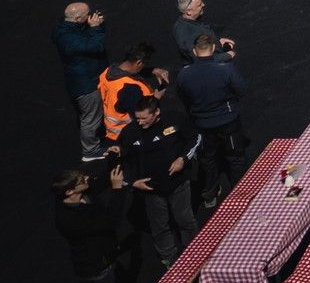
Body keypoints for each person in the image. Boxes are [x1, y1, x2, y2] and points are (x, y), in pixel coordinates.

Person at [119, 97, 200, 264]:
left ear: (156, 113)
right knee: (159, 225)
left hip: (178, 182)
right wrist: (132, 182)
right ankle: (168, 257)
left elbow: (195, 139)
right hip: (150, 188)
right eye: (137, 118)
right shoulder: (129, 133)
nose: (139, 122)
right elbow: (121, 163)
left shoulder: (175, 119)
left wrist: (183, 159)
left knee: (185, 218)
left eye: (143, 118)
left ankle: (195, 251)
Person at [175, 32, 247, 208]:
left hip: (202, 123)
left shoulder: (184, 75)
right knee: (235, 157)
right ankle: (240, 194)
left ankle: (210, 194)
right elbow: (241, 89)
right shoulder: (225, 69)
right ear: (214, 48)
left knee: (207, 159)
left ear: (194, 50)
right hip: (228, 121)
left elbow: (183, 97)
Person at [52, 1, 108, 162]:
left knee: (90, 115)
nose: (90, 16)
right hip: (86, 84)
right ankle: (90, 151)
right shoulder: (69, 40)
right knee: (90, 117)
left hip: (85, 78)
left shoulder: (65, 27)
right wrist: (96, 28)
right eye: (86, 14)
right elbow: (96, 46)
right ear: (77, 18)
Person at [97, 41, 165, 150]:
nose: (144, 67)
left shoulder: (108, 72)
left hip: (111, 134)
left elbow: (128, 72)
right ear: (139, 62)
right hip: (128, 136)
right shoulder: (131, 89)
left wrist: (152, 70)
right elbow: (143, 111)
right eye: (145, 64)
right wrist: (157, 97)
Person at [173, 0, 236, 65]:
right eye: (199, 5)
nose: (203, 5)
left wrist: (217, 41)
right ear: (189, 11)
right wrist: (227, 55)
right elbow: (200, 59)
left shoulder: (191, 21)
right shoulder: (183, 32)